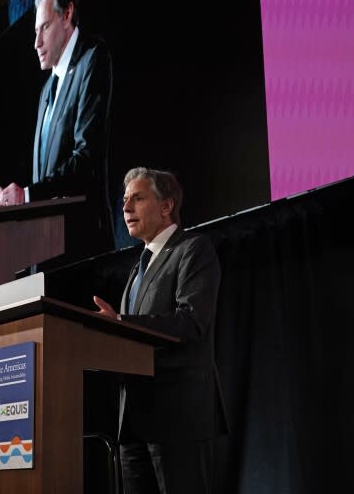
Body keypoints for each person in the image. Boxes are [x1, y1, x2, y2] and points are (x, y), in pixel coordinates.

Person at [92, 167, 228, 494]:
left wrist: (122, 323)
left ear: (166, 206)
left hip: (177, 418)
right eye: (124, 201)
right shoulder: (137, 269)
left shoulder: (192, 249)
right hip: (134, 422)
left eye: (137, 199)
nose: (125, 209)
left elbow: (191, 321)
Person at [0, 0, 114, 248]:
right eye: (36, 31)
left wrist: (28, 194)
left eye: (44, 27)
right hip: (45, 243)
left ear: (67, 14)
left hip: (83, 241)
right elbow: (45, 174)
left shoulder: (92, 59)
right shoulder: (47, 88)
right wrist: (19, 201)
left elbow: (87, 157)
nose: (36, 42)